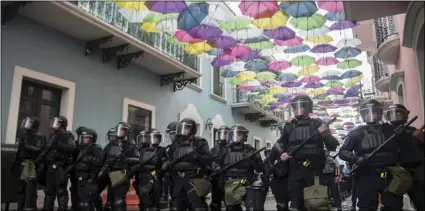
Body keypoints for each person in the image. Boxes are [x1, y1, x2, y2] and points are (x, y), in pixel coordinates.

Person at [339, 99, 407, 210]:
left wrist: (402, 134)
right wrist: (356, 158)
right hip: (367, 174)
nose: (372, 115)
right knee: (367, 206)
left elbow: (405, 146)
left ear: (380, 113)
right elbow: (342, 152)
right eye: (368, 112)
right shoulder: (357, 133)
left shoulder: (391, 129)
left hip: (390, 173)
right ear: (363, 115)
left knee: (394, 205)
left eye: (375, 111)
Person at [278, 95, 339, 210]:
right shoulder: (289, 126)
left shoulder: (317, 123)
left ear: (308, 108)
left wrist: (324, 134)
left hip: (314, 170)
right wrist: (282, 153)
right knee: (295, 204)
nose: (297, 109)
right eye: (295, 107)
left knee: (316, 204)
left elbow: (332, 146)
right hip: (295, 170)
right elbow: (280, 144)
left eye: (301, 106)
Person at [162, 118, 213, 211]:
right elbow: (169, 158)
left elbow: (209, 159)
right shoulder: (175, 144)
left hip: (194, 179)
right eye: (182, 127)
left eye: (187, 128)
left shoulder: (200, 142)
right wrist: (166, 163)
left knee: (198, 207)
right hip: (178, 180)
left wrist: (196, 156)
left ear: (193, 129)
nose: (184, 130)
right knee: (176, 207)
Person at [213, 124, 265, 211]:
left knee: (252, 207)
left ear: (244, 136)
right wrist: (217, 168)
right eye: (234, 134)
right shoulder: (224, 150)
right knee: (231, 208)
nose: (236, 137)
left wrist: (254, 161)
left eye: (239, 134)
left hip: (245, 182)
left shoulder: (250, 150)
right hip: (229, 183)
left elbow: (260, 169)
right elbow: (215, 163)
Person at [384, 104, 424, 211]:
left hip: (415, 171)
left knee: (421, 201)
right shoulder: (385, 131)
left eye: (399, 113)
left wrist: (420, 137)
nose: (396, 116)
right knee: (393, 205)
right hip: (395, 172)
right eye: (393, 113)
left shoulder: (413, 130)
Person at [98, 122, 139, 211]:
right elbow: (103, 157)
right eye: (120, 130)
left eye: (124, 130)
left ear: (128, 132)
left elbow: (138, 160)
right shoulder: (111, 145)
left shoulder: (130, 145)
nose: (122, 132)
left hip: (120, 173)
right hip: (108, 173)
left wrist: (126, 159)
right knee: (107, 201)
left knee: (118, 201)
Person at [40, 116, 75, 211]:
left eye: (56, 123)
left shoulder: (67, 135)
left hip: (60, 166)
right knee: (49, 191)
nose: (53, 125)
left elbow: (72, 149)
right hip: (50, 166)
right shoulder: (53, 135)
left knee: (61, 190)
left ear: (62, 124)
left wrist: (61, 146)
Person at [16, 117, 46, 211]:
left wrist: (26, 147)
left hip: (31, 163)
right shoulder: (25, 135)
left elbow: (40, 149)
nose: (27, 124)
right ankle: (20, 207)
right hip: (23, 162)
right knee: (21, 188)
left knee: (29, 188)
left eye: (29, 123)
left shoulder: (39, 136)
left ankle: (30, 207)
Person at [136, 128, 167, 211]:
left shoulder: (161, 150)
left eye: (158, 137)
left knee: (154, 205)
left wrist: (160, 171)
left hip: (155, 178)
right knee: (143, 204)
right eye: (155, 137)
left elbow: (164, 166)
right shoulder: (141, 150)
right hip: (142, 179)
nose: (156, 139)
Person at [73, 128, 103, 211]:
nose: (84, 139)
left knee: (87, 202)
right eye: (83, 137)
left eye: (87, 137)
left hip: (90, 178)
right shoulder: (81, 148)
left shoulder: (96, 148)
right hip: (80, 177)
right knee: (82, 202)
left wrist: (89, 158)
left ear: (92, 139)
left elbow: (100, 162)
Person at [264, 124, 289, 211]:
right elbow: (269, 161)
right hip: (280, 178)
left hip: (295, 176)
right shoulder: (277, 145)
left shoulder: (295, 144)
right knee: (282, 205)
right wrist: (274, 168)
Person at [94, 127, 117, 211]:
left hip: (116, 174)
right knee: (94, 191)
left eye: (113, 136)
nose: (111, 138)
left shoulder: (123, 146)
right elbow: (102, 159)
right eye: (109, 136)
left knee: (113, 198)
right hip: (106, 172)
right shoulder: (108, 146)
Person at [210, 126, 230, 211]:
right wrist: (214, 167)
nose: (224, 136)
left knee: (230, 204)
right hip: (216, 179)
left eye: (226, 134)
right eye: (222, 134)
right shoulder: (214, 149)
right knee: (215, 204)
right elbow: (209, 161)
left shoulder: (232, 148)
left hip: (228, 179)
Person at [70, 126, 87, 211]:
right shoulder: (76, 145)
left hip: (82, 172)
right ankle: (74, 206)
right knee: (74, 189)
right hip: (74, 171)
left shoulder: (87, 146)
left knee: (81, 190)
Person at [163, 121, 179, 210]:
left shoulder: (176, 146)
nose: (170, 136)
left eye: (171, 134)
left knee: (176, 203)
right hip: (173, 177)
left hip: (178, 177)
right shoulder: (172, 146)